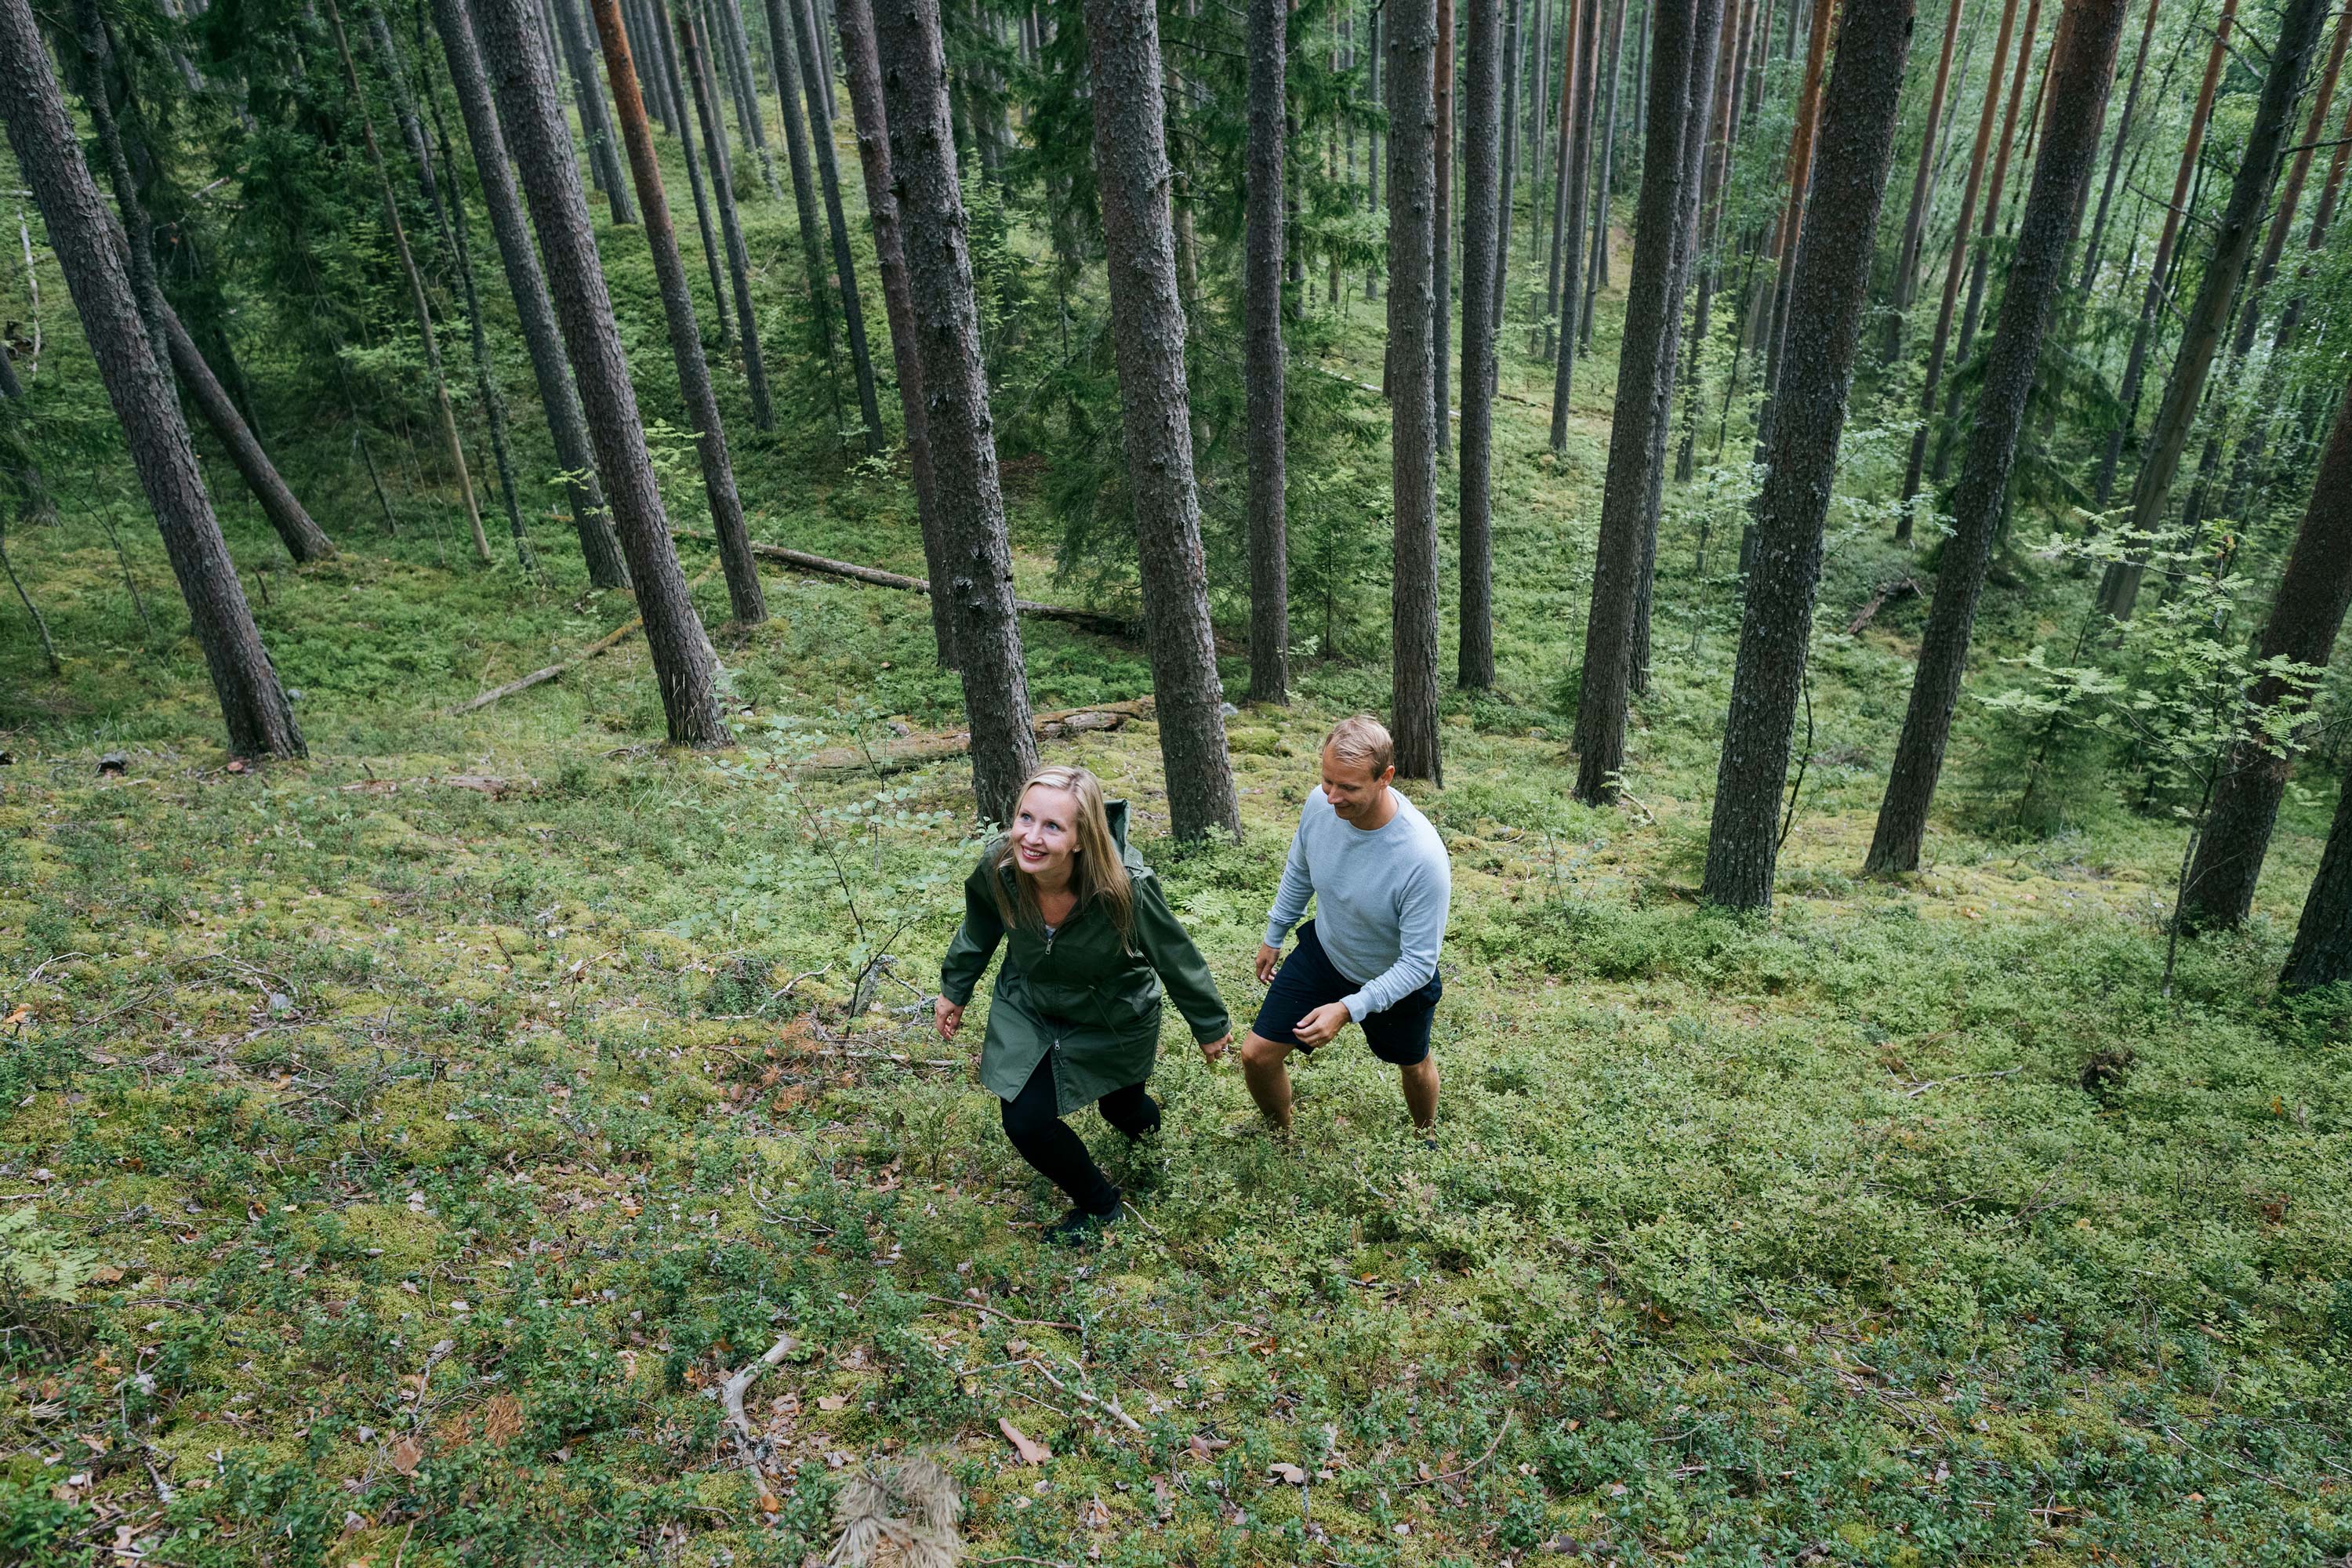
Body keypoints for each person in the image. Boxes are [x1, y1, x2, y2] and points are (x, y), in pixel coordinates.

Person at [937, 765, 1230, 1241]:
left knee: (1123, 1109)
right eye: (1025, 818)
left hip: (1112, 1012)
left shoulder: (1124, 885)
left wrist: (1209, 1024)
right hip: (1029, 1004)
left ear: (1080, 838)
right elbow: (979, 926)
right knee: (1026, 1121)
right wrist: (955, 988)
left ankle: (1148, 1152)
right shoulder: (1002, 868)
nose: (1031, 837)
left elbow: (1175, 954)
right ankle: (1100, 1207)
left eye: (1052, 826)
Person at [1237, 716, 1452, 1134]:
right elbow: (1300, 869)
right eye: (1327, 781)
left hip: (1395, 979)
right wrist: (1274, 933)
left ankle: (1425, 1135)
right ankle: (1279, 1135)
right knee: (1257, 1055)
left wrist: (1349, 1008)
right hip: (1326, 953)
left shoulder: (1421, 858)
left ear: (1385, 778)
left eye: (1349, 787)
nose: (1333, 798)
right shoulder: (1321, 805)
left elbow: (1419, 964)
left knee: (1414, 1063)